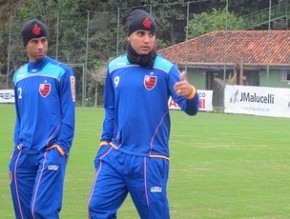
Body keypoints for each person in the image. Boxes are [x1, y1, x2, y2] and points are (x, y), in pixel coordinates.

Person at [88, 9, 199, 219]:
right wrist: (104, 143)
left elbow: (190, 108)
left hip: (150, 158)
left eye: (151, 35)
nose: (146, 40)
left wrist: (191, 93)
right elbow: (110, 109)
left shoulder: (166, 69)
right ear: (129, 36)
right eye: (140, 34)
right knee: (97, 209)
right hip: (116, 155)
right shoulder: (115, 67)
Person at [9, 18, 76, 219]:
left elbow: (69, 114)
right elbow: (20, 116)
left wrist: (61, 148)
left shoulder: (62, 72)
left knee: (42, 211)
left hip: (50, 152)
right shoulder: (19, 76)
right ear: (25, 45)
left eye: (44, 41)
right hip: (23, 154)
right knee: (23, 213)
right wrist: (15, 149)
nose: (40, 46)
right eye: (35, 41)